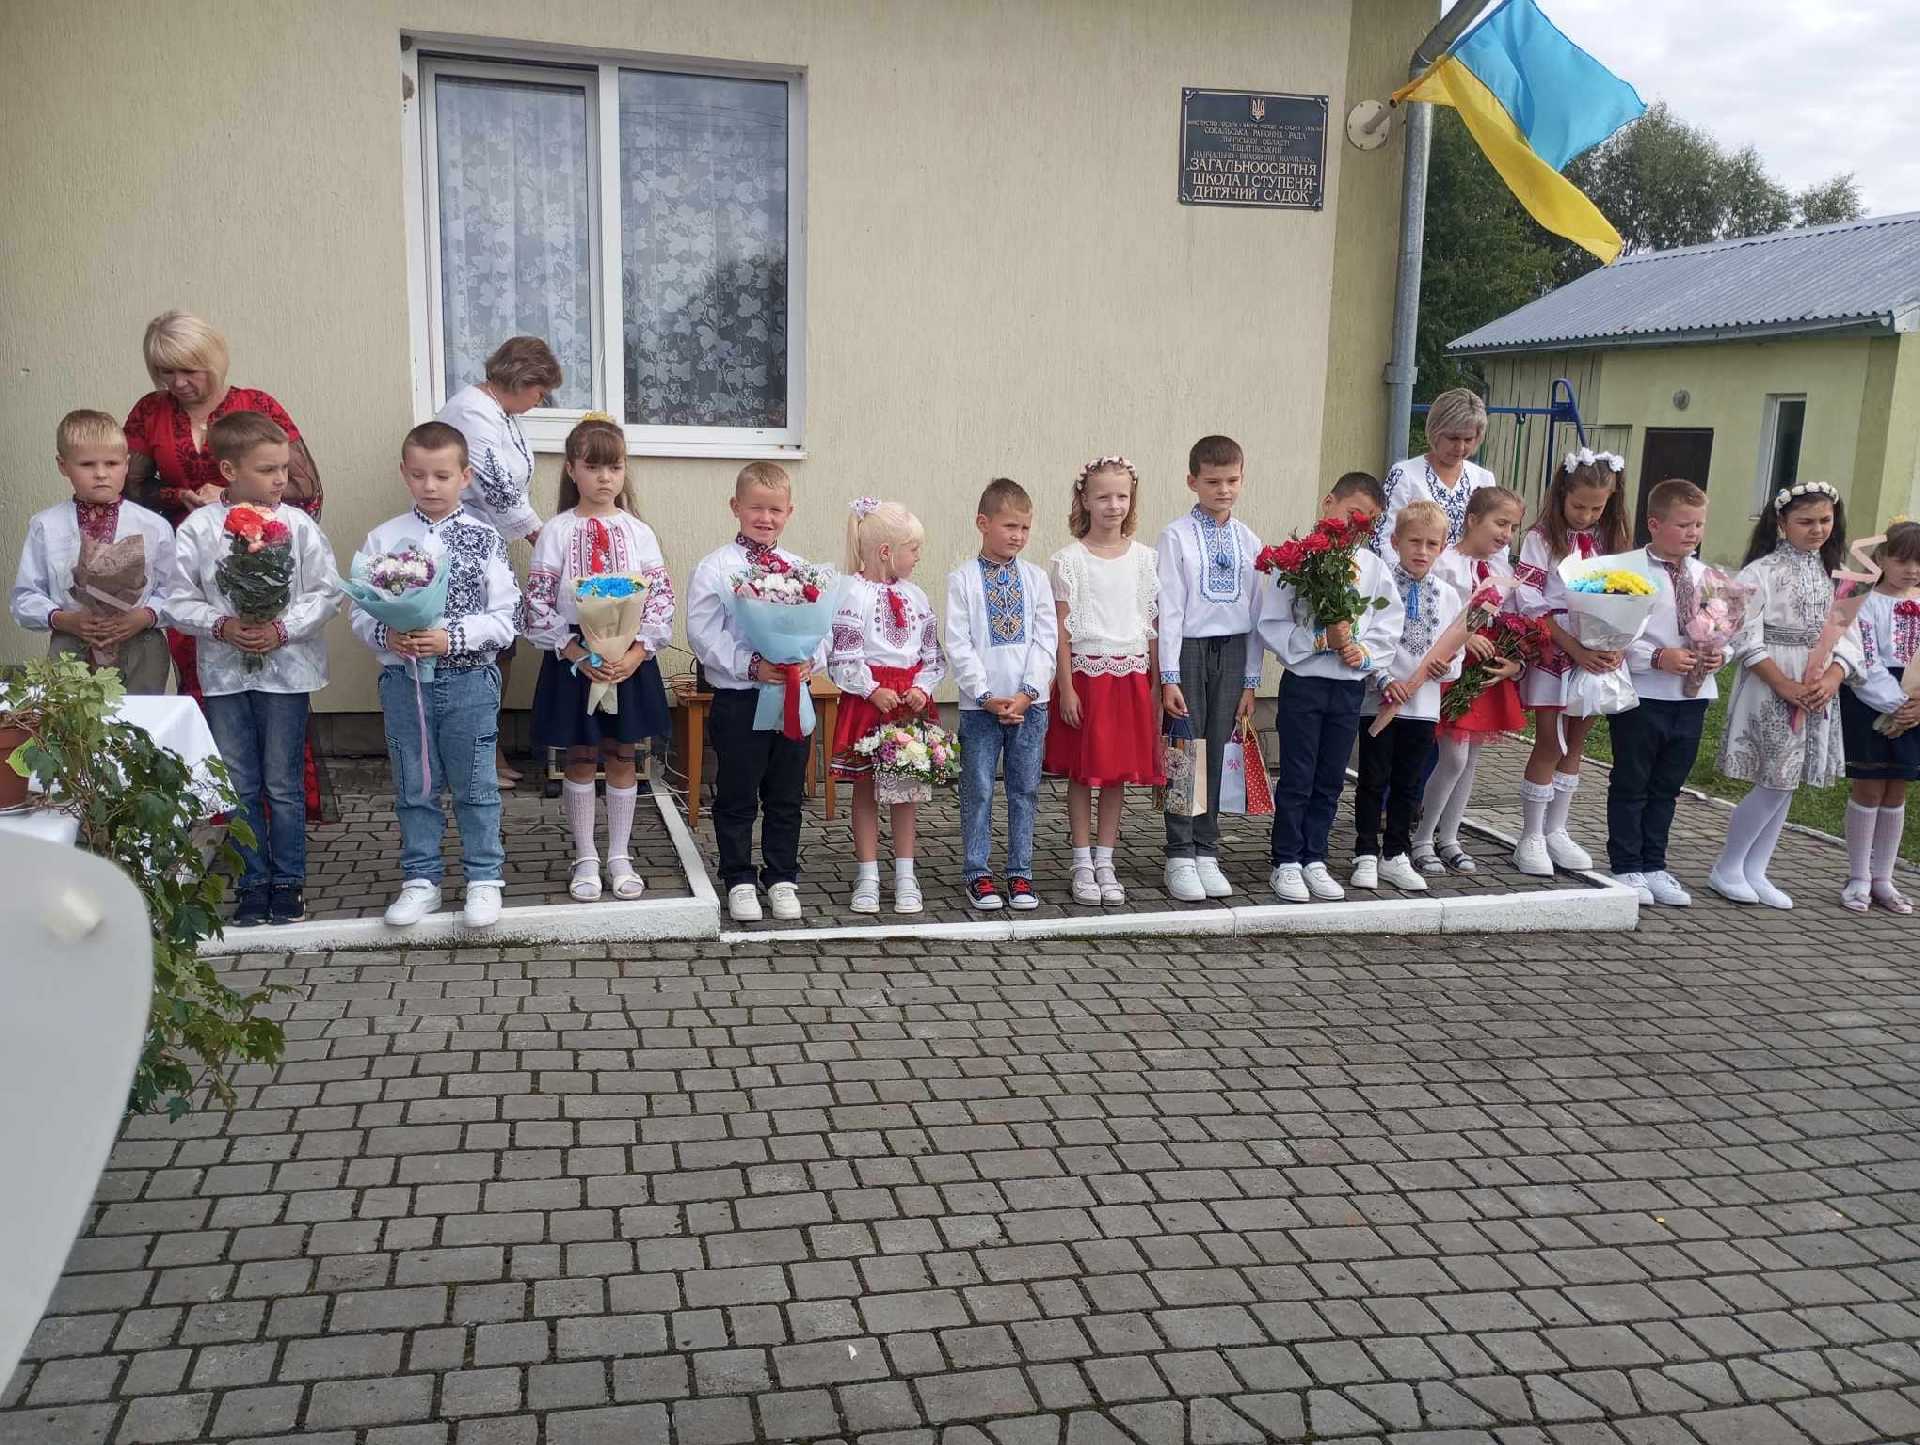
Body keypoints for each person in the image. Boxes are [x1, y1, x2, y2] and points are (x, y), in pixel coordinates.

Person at [123, 309, 325, 812]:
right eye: (166, 372)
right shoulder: (149, 412)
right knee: (203, 684)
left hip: (260, 565)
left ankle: (283, 808)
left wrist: (240, 504)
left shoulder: (256, 405)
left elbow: (304, 487)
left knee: (278, 693)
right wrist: (179, 496)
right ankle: (222, 813)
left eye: (189, 370)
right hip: (192, 573)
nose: (178, 383)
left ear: (213, 360)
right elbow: (129, 489)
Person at [162, 412, 338, 927]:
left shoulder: (298, 526)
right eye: (267, 469)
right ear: (228, 470)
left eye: (284, 468)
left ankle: (288, 881)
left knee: (282, 783)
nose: (281, 479)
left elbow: (326, 593)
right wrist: (221, 625)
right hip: (225, 674)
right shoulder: (200, 529)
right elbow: (176, 599)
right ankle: (252, 880)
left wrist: (282, 628)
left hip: (287, 671)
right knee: (239, 782)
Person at [349, 420, 520, 930]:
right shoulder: (384, 537)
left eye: (442, 476)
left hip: (468, 681)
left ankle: (484, 878)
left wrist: (453, 637)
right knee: (414, 784)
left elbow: (507, 618)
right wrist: (388, 635)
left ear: (464, 477)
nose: (430, 486)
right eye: (419, 475)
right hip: (405, 683)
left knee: (476, 783)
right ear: (404, 473)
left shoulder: (484, 538)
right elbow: (359, 612)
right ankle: (421, 879)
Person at [522, 416, 675, 905]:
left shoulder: (639, 531)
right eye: (593, 467)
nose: (605, 478)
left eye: (615, 467)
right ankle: (586, 855)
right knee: (581, 756)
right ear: (572, 470)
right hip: (575, 660)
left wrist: (636, 653)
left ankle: (620, 856)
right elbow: (538, 601)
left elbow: (660, 598)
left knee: (624, 755)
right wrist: (573, 652)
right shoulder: (556, 532)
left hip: (627, 660)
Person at [1708, 481, 1863, 909]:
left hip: (1816, 687)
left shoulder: (1838, 573)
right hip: (1772, 681)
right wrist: (1782, 683)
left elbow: (1852, 634)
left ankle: (1756, 868)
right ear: (1781, 522)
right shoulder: (1761, 571)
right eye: (1805, 521)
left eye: (1825, 520)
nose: (1817, 529)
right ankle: (1728, 866)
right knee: (1774, 779)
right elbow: (1742, 632)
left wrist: (1833, 676)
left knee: (1787, 781)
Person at [687, 462, 821, 924]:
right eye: (756, 508)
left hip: (791, 696)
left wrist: (809, 661)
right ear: (736, 507)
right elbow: (704, 634)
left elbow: (821, 630)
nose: (766, 518)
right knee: (737, 792)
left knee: (786, 793)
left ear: (789, 512)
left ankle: (782, 876)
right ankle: (739, 878)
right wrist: (751, 665)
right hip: (741, 698)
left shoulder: (802, 569)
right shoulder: (716, 568)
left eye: (775, 510)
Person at [1258, 471, 1401, 904]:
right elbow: (1272, 623)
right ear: (1329, 504)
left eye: (1369, 521)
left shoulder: (1372, 567)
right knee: (1298, 774)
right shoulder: (1299, 562)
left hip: (1347, 688)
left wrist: (1363, 652)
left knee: (1331, 776)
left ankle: (1314, 857)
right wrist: (1320, 640)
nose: (1358, 526)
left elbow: (1387, 623)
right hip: (1305, 684)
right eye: (1353, 514)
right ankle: (1286, 859)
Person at [437, 334, 565, 787]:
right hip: (461, 545)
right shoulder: (471, 413)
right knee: (479, 649)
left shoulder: (499, 412)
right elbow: (498, 488)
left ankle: (486, 746)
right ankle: (475, 754)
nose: (540, 400)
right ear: (520, 379)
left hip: (485, 542)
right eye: (539, 391)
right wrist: (546, 541)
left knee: (501, 644)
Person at [1044, 457, 1163, 907]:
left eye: (1121, 496)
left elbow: (1152, 627)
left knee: (1116, 775)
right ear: (1085, 500)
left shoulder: (1146, 560)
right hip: (1086, 679)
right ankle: (1081, 860)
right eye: (1103, 497)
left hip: (1130, 678)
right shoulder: (1068, 561)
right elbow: (1061, 632)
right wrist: (1066, 686)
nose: (1113, 505)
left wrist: (1156, 686)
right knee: (1083, 772)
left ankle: (1106, 860)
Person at [1510, 450, 1631, 876]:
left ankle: (1556, 829)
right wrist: (1573, 647)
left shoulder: (1612, 539)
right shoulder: (1541, 538)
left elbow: (1626, 596)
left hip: (1596, 652)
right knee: (1550, 742)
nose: (1587, 515)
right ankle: (1530, 835)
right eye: (1579, 506)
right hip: (1555, 648)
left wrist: (1617, 643)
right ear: (1562, 493)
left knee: (1576, 743)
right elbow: (1529, 600)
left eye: (1597, 508)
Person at [1156, 435, 1263, 902]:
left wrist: (1251, 679)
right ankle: (1180, 852)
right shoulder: (1175, 536)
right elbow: (1169, 609)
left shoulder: (1249, 541)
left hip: (1233, 650)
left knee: (1216, 749)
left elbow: (1256, 612)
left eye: (1232, 480)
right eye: (1213, 481)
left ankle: (1207, 848)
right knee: (1187, 749)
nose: (1223, 490)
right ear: (1192, 481)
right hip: (1189, 651)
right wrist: (1169, 675)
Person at [1606, 479, 1723, 908]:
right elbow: (1610, 634)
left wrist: (1719, 654)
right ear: (1654, 524)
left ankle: (1654, 863)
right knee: (1632, 781)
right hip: (1643, 695)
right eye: (1683, 524)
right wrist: (1656, 657)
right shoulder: (1627, 570)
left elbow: (1724, 628)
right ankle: (1625, 864)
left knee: (1667, 785)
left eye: (1699, 525)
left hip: (1691, 696)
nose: (1693, 533)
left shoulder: (1707, 576)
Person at [828, 499, 946, 915]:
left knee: (904, 791)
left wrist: (923, 688)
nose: (918, 557)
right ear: (885, 552)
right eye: (913, 549)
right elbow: (842, 653)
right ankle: (868, 874)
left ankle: (905, 874)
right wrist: (870, 689)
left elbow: (932, 654)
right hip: (870, 703)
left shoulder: (916, 596)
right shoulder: (852, 593)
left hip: (906, 706)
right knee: (866, 791)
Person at [946, 477, 1057, 912]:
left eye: (1025, 528)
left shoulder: (1036, 579)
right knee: (977, 789)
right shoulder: (962, 580)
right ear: (983, 523)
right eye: (1010, 526)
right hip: (980, 709)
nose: (1018, 536)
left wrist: (1028, 693)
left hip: (1030, 706)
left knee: (1024, 789)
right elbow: (958, 643)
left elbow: (1046, 640)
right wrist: (986, 695)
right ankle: (977, 871)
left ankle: (1020, 871)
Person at [12, 410, 176, 694]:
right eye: (87, 464)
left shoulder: (154, 526)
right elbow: (25, 597)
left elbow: (175, 590)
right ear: (63, 466)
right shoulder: (46, 525)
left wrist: (145, 616)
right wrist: (63, 619)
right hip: (70, 645)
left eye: (112, 463)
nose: (101, 474)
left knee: (141, 718)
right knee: (74, 718)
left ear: (126, 464)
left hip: (142, 646)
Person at [1412, 485, 1528, 874]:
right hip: (1449, 669)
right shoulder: (1445, 563)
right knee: (1453, 758)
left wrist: (1513, 659)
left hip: (1481, 672)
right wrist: (1465, 635)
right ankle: (1422, 837)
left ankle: (1449, 836)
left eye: (1513, 528)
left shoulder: (1500, 571)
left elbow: (1508, 619)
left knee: (1470, 760)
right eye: (1500, 523)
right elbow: (1432, 611)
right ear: (1473, 520)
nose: (1506, 534)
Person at [1353, 501, 1461, 893]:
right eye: (1414, 541)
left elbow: (1457, 652)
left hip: (1423, 707)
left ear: (1443, 547)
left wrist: (1446, 668)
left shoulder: (1448, 596)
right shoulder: (1380, 585)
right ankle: (1365, 853)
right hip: (1379, 703)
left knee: (1409, 783)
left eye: (1432, 544)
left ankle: (1395, 853)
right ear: (1396, 541)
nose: (1422, 551)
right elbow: (1364, 638)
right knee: (1373, 780)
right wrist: (1382, 679)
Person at [1839, 520, 1920, 914]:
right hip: (1872, 699)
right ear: (1882, 559)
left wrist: (1915, 705)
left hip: (1915, 706)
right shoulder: (1862, 601)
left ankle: (1884, 878)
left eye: (1919, 563)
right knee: (1869, 787)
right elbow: (1863, 658)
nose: (1912, 570)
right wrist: (1895, 702)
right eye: (1903, 560)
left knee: (1896, 789)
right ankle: (1858, 877)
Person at [1372, 388, 1496, 562]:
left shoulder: (1484, 479)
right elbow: (1381, 539)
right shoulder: (1404, 474)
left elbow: (1495, 542)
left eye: (1468, 440)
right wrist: (1405, 575)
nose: (1460, 447)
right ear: (1435, 431)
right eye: (1453, 438)